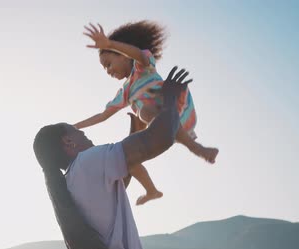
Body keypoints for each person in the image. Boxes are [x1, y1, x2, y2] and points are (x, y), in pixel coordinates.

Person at [34, 66, 192, 249]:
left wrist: (134, 130)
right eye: (78, 132)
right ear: (68, 143)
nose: (86, 134)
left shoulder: (74, 179)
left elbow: (124, 177)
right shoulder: (88, 161)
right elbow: (161, 138)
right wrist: (170, 99)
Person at [75, 21, 219, 206]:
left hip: (174, 108)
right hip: (162, 127)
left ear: (124, 57)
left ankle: (197, 148)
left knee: (144, 111)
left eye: (109, 63)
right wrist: (76, 126)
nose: (108, 71)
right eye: (105, 69)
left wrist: (109, 44)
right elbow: (103, 116)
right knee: (126, 159)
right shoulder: (125, 92)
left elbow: (138, 54)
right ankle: (151, 190)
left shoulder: (142, 68)